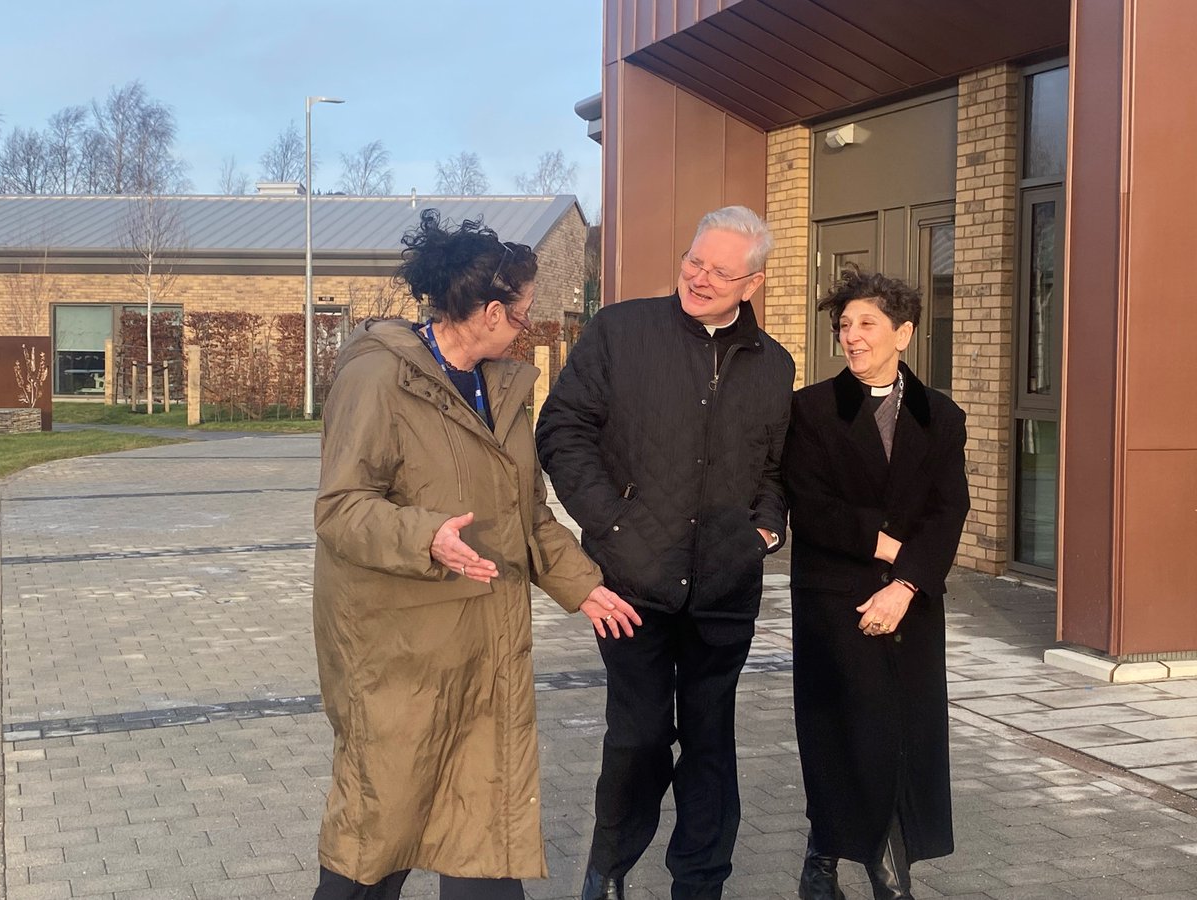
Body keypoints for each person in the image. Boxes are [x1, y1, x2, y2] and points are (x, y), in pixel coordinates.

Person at [312, 209, 642, 900]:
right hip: (401, 656)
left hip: (484, 653)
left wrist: (584, 585)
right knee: (377, 843)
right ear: (490, 311)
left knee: (484, 841)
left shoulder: (500, 389)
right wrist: (424, 535)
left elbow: (526, 514)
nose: (524, 326)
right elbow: (340, 509)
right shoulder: (378, 379)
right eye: (522, 313)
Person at [536, 206, 795, 900]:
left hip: (724, 589)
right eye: (694, 260)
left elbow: (776, 469)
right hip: (632, 586)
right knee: (640, 736)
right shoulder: (621, 331)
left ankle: (701, 881)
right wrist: (610, 525)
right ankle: (610, 864)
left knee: (711, 742)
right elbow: (562, 429)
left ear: (753, 283)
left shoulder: (773, 363)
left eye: (719, 270)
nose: (699, 277)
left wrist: (764, 533)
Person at [781, 265, 970, 900]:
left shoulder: (941, 416)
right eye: (843, 326)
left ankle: (827, 861)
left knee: (901, 733)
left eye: (867, 324)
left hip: (912, 601)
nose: (852, 337)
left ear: (904, 333)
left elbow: (950, 510)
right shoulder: (810, 409)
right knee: (849, 730)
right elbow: (809, 505)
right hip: (834, 598)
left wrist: (907, 583)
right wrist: (886, 544)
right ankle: (876, 876)